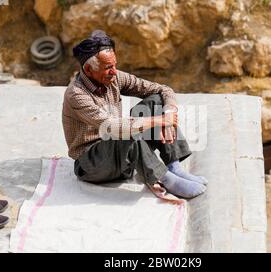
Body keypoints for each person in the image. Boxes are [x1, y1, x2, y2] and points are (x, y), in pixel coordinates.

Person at [61, 30, 207, 199]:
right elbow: (112, 127)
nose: (114, 72)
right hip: (93, 164)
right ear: (88, 69)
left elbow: (162, 89)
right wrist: (158, 120)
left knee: (155, 101)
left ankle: (174, 167)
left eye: (115, 65)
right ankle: (165, 178)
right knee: (125, 130)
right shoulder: (76, 94)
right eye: (108, 67)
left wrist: (168, 115)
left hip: (122, 153)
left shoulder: (114, 78)